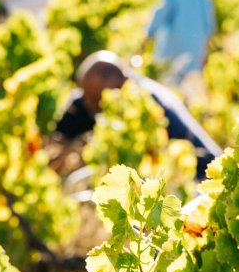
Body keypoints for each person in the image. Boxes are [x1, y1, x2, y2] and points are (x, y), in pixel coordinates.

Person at [54, 50, 222, 181]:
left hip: (202, 178)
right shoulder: (129, 88)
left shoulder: (145, 103)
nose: (92, 106)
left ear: (115, 86)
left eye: (95, 99)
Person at [145, 0, 216, 87]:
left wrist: (144, 41)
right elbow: (209, 24)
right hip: (196, 50)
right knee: (190, 93)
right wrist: (205, 51)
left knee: (171, 91)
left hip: (172, 51)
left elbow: (158, 18)